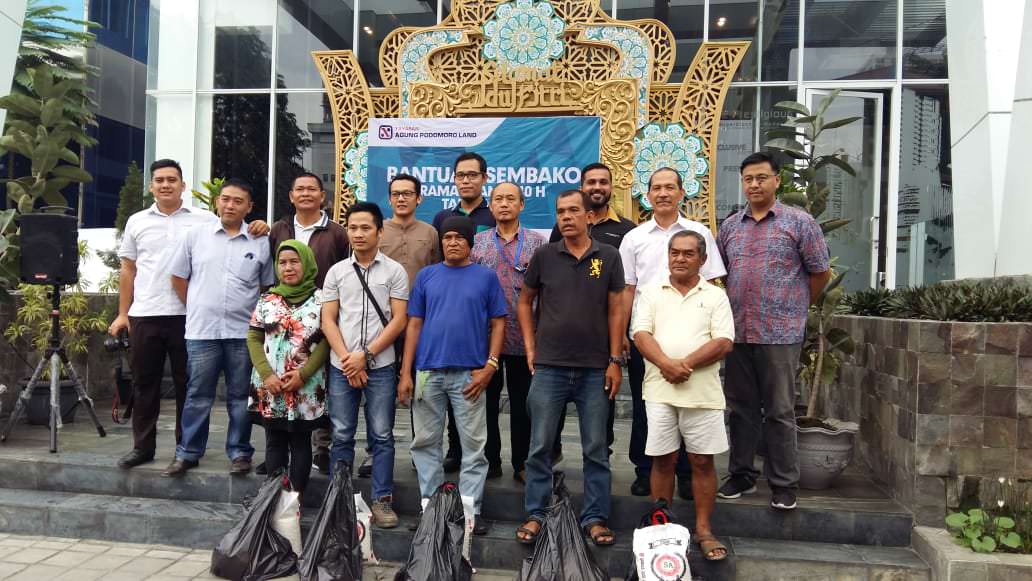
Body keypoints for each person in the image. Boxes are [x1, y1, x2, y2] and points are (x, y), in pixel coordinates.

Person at [110, 159, 268, 470]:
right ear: (152, 185)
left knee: (208, 391)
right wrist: (123, 313)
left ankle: (212, 452)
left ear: (183, 185)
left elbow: (260, 278)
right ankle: (152, 448)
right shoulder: (146, 223)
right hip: (163, 317)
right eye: (159, 180)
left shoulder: (217, 226)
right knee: (150, 385)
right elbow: (139, 271)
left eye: (172, 179)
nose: (165, 184)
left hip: (213, 326)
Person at [717, 152, 831, 511]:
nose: (754, 184)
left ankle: (784, 482)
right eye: (748, 178)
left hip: (781, 333)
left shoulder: (799, 222)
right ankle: (742, 474)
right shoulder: (731, 226)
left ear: (777, 180)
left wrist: (796, 308)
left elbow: (820, 272)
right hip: (737, 333)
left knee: (780, 410)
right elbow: (722, 273)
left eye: (761, 177)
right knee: (740, 408)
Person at [515, 189, 625, 547]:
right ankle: (537, 513)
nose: (566, 217)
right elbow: (525, 301)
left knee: (596, 448)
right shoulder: (545, 255)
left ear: (588, 217)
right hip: (550, 367)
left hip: (595, 368)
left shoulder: (607, 256)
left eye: (573, 210)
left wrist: (614, 360)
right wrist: (531, 347)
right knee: (540, 446)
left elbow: (615, 309)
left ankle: (594, 516)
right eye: (561, 211)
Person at [619, 167, 727, 498]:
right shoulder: (634, 238)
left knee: (691, 405)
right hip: (647, 336)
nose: (663, 193)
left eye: (670, 187)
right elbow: (627, 289)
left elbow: (711, 284)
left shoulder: (699, 233)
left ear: (682, 193)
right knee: (645, 405)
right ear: (647, 195)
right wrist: (623, 335)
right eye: (656, 188)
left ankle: (686, 474)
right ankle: (645, 468)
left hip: (694, 337)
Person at [398, 216, 507, 536]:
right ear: (441, 242)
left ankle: (471, 512)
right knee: (425, 444)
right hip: (427, 374)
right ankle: (430, 508)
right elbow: (413, 324)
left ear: (471, 243)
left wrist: (490, 365)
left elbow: (499, 323)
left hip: (469, 376)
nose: (453, 242)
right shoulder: (427, 277)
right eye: (448, 237)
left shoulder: (485, 277)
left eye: (460, 237)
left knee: (474, 447)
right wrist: (406, 372)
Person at [631, 230, 734, 561]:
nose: (679, 258)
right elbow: (640, 334)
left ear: (703, 260)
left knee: (702, 461)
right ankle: (661, 529)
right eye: (674, 252)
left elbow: (724, 341)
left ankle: (703, 530)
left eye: (688, 254)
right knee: (662, 459)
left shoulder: (716, 296)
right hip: (660, 390)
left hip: (702, 394)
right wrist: (666, 364)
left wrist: (684, 364)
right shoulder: (651, 292)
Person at [164, 178, 274, 477]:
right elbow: (177, 277)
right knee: (197, 394)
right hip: (203, 331)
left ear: (249, 207)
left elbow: (266, 286)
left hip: (243, 334)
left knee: (241, 396)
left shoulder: (260, 241)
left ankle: (240, 452)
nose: (230, 205)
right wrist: (198, 305)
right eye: (225, 199)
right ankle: (187, 452)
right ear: (217, 202)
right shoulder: (196, 235)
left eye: (238, 201)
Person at [321, 202, 409, 529]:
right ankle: (339, 498)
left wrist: (365, 356)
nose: (358, 234)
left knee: (382, 434)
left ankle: (382, 499)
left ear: (379, 231)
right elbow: (328, 320)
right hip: (342, 365)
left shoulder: (395, 271)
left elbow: (399, 320)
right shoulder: (337, 272)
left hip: (381, 366)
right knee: (342, 433)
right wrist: (348, 359)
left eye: (365, 228)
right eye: (353, 228)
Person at [548, 162, 636, 463]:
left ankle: (601, 458)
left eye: (603, 182)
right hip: (560, 342)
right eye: (591, 182)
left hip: (602, 342)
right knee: (551, 412)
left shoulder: (627, 230)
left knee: (602, 407)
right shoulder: (560, 228)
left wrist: (621, 333)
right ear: (582, 187)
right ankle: (552, 455)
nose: (597, 187)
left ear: (612, 187)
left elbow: (624, 289)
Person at [265, 171, 349, 475]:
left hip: (321, 313)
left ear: (322, 196)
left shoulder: (338, 233)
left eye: (311, 189)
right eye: (299, 189)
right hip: (284, 317)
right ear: (290, 195)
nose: (305, 194)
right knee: (281, 376)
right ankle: (277, 445)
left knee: (318, 382)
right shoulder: (279, 229)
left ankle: (320, 447)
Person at [359, 173, 440, 478]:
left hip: (421, 323)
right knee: (379, 391)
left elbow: (437, 273)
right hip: (382, 324)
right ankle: (373, 451)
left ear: (419, 198)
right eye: (396, 193)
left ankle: (422, 453)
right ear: (389, 198)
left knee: (422, 390)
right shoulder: (379, 233)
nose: (402, 198)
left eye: (408, 193)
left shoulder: (431, 233)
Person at [470, 182, 546, 483]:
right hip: (484, 338)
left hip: (525, 338)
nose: (504, 204)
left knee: (523, 404)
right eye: (498, 199)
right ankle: (489, 461)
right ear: (490, 205)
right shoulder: (477, 243)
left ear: (522, 205)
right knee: (484, 404)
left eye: (510, 199)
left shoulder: (538, 244)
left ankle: (522, 463)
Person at [247, 240, 329, 496]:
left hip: (305, 384)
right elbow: (253, 337)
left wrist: (303, 374)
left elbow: (328, 339)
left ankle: (295, 499)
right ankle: (273, 498)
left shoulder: (322, 299)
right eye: (282, 263)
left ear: (306, 263)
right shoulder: (268, 299)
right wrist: (266, 374)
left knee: (300, 441)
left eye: (294, 261)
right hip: (270, 384)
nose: (288, 267)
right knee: (274, 442)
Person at [431, 152, 497, 472]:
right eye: (461, 175)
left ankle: (491, 457)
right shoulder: (443, 217)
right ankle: (454, 451)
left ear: (485, 178)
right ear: (454, 179)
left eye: (473, 175)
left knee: (486, 393)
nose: (466, 180)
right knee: (452, 391)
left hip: (487, 313)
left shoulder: (494, 213)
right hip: (451, 317)